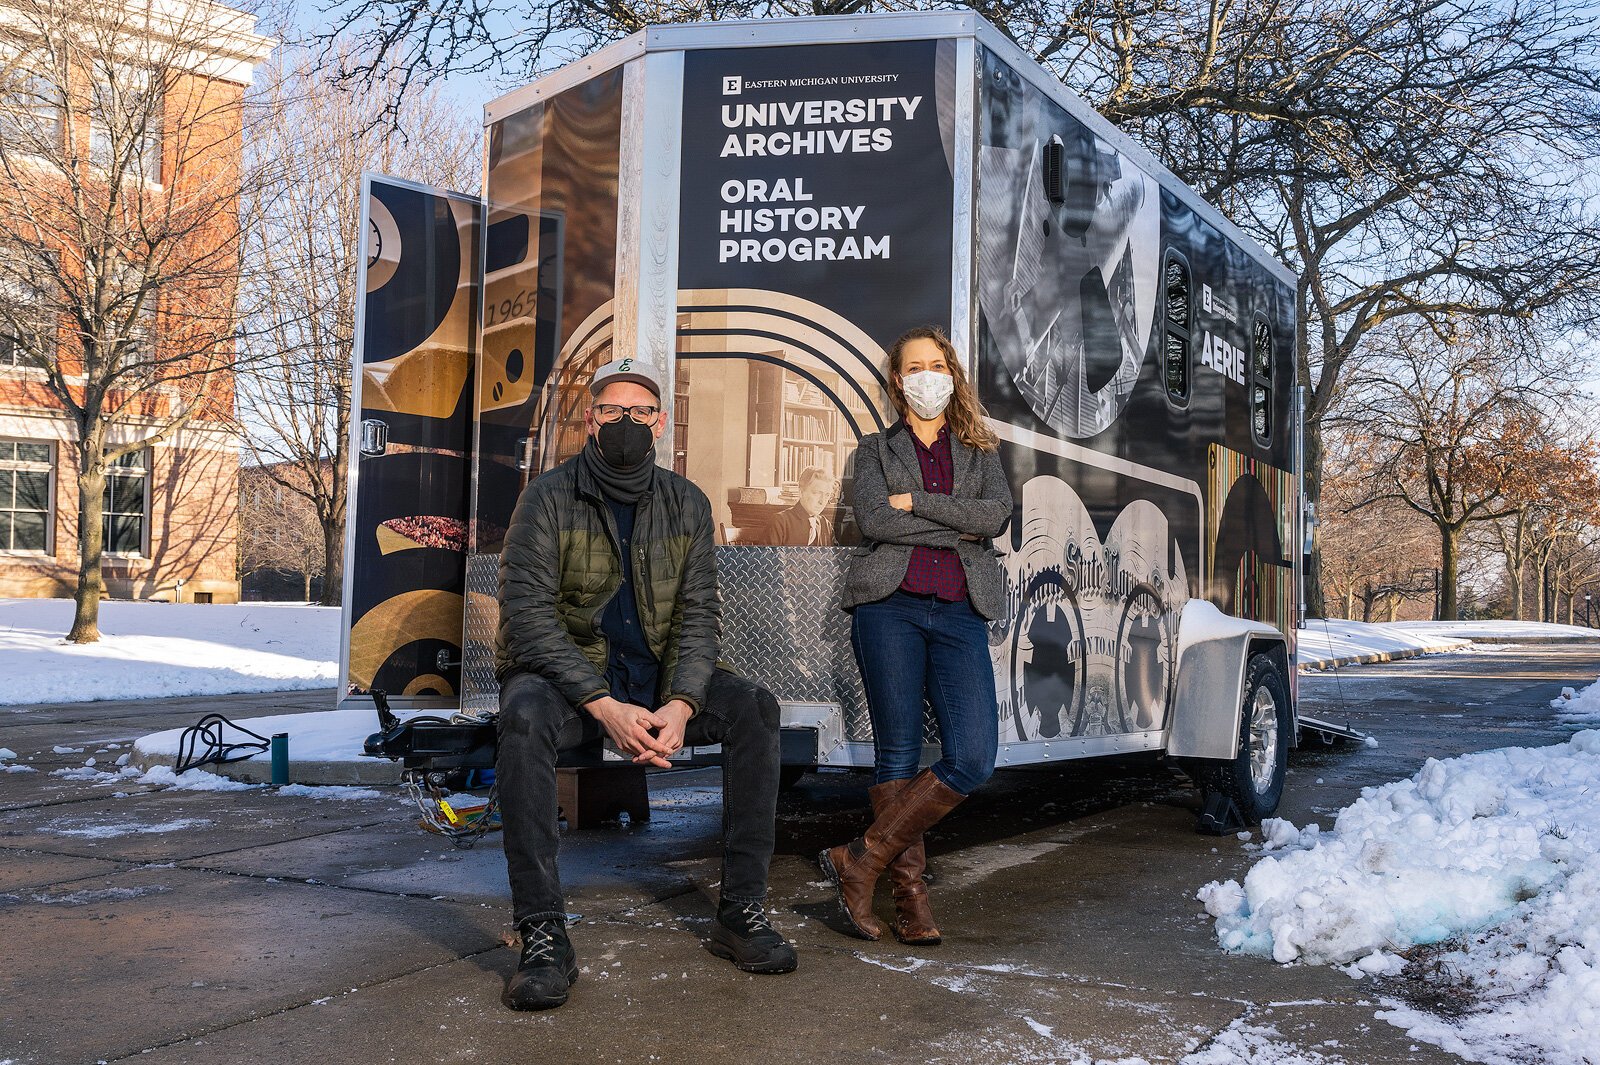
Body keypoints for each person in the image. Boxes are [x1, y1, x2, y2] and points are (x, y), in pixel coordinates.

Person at [494, 356, 797, 1012]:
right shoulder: (546, 496)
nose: (626, 422)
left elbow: (698, 614)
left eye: (639, 411)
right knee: (520, 718)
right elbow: (529, 618)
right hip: (569, 682)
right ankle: (544, 935)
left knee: (754, 709)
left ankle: (740, 913)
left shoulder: (685, 502)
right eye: (611, 411)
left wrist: (683, 703)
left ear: (660, 421)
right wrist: (603, 706)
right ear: (589, 419)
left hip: (656, 676)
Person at [819, 326, 1013, 945]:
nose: (928, 375)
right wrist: (952, 523)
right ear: (898, 380)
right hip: (889, 607)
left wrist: (916, 505)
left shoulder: (980, 451)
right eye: (915, 367)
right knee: (897, 755)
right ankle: (911, 903)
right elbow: (876, 520)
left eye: (938, 364)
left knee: (973, 756)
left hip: (959, 610)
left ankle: (862, 859)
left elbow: (996, 516)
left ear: (951, 374)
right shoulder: (874, 451)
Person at [762, 465, 837, 546]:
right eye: (817, 493)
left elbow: (836, 557)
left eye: (827, 495)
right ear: (801, 492)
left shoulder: (826, 525)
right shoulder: (780, 523)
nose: (822, 502)